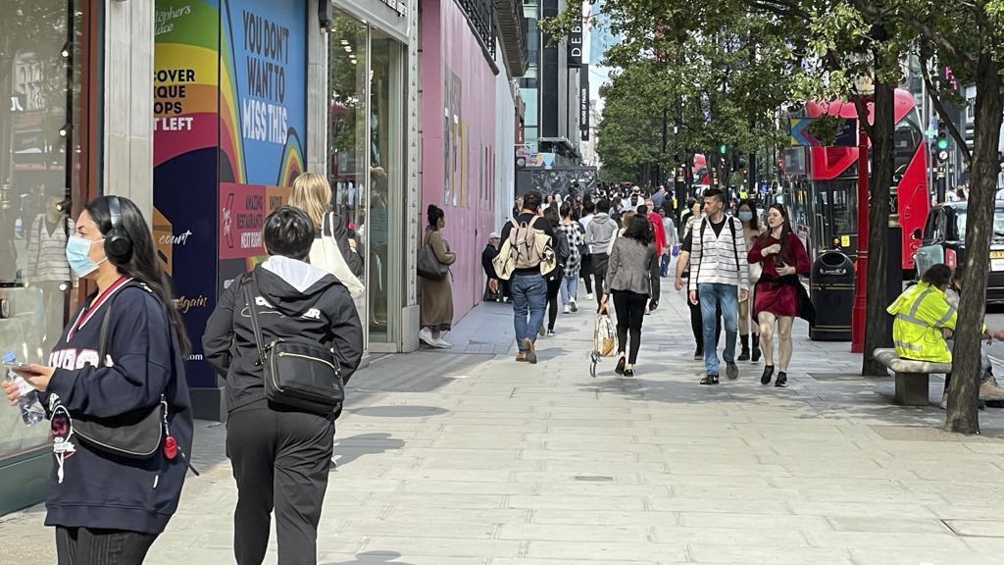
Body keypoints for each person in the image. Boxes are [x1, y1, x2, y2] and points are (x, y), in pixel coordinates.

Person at [2, 195, 194, 564]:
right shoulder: (89, 307)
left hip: (120, 492)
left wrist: (59, 381)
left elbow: (135, 387)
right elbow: (76, 385)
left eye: (82, 232)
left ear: (116, 242)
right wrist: (37, 388)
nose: (73, 242)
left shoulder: (136, 304)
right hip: (77, 488)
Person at [203, 206, 363, 565]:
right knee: (299, 520)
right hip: (309, 418)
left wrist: (246, 381)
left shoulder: (244, 287)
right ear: (309, 244)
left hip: (249, 414)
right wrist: (323, 385)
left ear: (264, 243)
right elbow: (352, 350)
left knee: (251, 505)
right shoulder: (331, 292)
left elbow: (213, 343)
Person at [689, 187, 749, 385]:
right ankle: (712, 369)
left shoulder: (734, 224)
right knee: (709, 325)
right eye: (704, 203)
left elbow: (741, 253)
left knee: (731, 324)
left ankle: (729, 356)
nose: (705, 206)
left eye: (709, 203)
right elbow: (695, 256)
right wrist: (692, 286)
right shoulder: (698, 226)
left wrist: (744, 283)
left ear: (720, 204)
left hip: (728, 279)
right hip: (705, 280)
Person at [747, 204, 810, 387]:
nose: (771, 218)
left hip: (787, 289)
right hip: (766, 287)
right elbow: (751, 257)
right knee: (765, 330)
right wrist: (765, 251)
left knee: (784, 333)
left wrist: (791, 269)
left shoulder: (792, 240)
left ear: (783, 218)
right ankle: (769, 363)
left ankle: (783, 372)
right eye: (769, 215)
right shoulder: (764, 238)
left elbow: (805, 265)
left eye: (775, 215)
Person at [500, 190, 554, 363]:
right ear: (538, 207)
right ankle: (530, 337)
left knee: (519, 312)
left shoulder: (511, 225)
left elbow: (502, 250)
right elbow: (552, 246)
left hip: (516, 275)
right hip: (536, 274)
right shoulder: (542, 223)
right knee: (538, 310)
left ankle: (522, 352)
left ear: (522, 204)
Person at [940, 264, 1004, 408]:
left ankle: (984, 385)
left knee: (969, 346)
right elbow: (964, 326)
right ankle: (984, 383)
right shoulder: (950, 296)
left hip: (948, 340)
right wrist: (992, 334)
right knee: (968, 348)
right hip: (941, 342)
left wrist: (992, 334)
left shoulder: (959, 294)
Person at [603, 216, 660, 377]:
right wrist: (655, 296)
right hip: (640, 288)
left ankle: (621, 353)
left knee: (622, 323)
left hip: (620, 286)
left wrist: (606, 292)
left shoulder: (620, 243)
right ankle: (630, 364)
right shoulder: (650, 247)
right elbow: (655, 275)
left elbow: (612, 268)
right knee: (636, 327)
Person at [25, 185, 75, 351]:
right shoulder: (38, 222)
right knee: (39, 314)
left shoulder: (69, 224)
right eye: (55, 199)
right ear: (47, 203)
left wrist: (74, 279)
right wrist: (29, 275)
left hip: (60, 276)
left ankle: (54, 344)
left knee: (56, 315)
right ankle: (35, 344)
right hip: (41, 276)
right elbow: (33, 249)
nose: (59, 202)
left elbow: (72, 253)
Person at [288, 171, 364, 279]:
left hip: (293, 291)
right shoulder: (331, 224)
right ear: (323, 195)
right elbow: (352, 268)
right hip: (323, 291)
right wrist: (352, 247)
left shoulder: (286, 225)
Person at [419, 205, 456, 348]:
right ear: (439, 220)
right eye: (443, 218)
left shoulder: (429, 233)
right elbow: (442, 256)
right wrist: (452, 256)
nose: (444, 221)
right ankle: (427, 330)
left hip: (431, 276)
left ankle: (436, 336)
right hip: (437, 278)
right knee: (440, 305)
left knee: (435, 304)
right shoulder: (435, 236)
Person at [736, 199, 764, 362]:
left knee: (755, 312)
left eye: (747, 210)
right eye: (742, 210)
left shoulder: (760, 232)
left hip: (756, 275)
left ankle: (755, 346)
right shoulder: (733, 230)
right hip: (740, 276)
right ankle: (744, 346)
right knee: (742, 313)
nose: (744, 213)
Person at [585, 199, 620, 302]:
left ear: (597, 209)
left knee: (597, 279)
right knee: (608, 279)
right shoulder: (612, 223)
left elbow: (587, 240)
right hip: (608, 253)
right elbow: (618, 238)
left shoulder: (591, 223)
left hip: (596, 253)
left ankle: (600, 304)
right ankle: (606, 302)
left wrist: (595, 242)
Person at [557, 204, 584, 313]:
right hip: (574, 253)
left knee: (563, 280)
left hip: (563, 254)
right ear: (569, 212)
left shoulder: (559, 226)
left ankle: (565, 304)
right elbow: (579, 240)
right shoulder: (574, 225)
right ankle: (572, 297)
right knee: (574, 276)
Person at [578, 200, 597, 299]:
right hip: (596, 247)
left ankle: (589, 292)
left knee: (585, 270)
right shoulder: (597, 219)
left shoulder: (581, 221)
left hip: (585, 247)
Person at [482, 232, 503, 302]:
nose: (498, 241)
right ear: (491, 240)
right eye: (496, 239)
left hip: (492, 274)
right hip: (493, 274)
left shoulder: (490, 250)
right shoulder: (490, 250)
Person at [659, 208, 678, 278]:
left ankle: (664, 270)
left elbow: (672, 232)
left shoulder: (669, 221)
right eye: (659, 211)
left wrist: (675, 242)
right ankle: (661, 269)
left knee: (666, 257)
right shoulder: (657, 220)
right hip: (658, 241)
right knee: (660, 257)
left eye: (662, 211)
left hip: (666, 241)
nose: (661, 213)